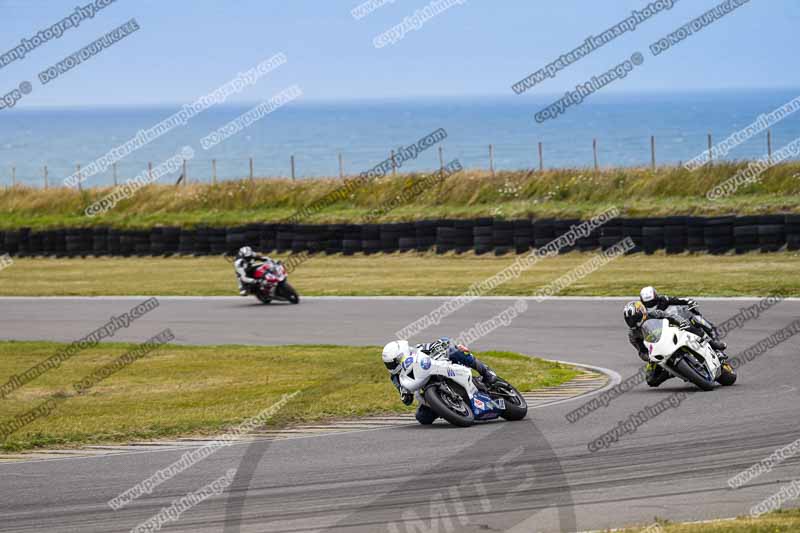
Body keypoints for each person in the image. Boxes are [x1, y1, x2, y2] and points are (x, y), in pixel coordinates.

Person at [381, 337, 497, 424]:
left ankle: (485, 371)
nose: (390, 367)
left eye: (392, 363)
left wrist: (442, 347)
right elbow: (406, 399)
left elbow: (443, 341)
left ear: (401, 356)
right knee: (422, 417)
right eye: (388, 364)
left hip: (443, 368)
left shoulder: (418, 349)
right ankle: (446, 407)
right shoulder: (396, 376)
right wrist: (405, 394)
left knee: (454, 351)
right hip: (428, 389)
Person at [624, 300, 696, 387]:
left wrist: (681, 322)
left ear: (642, 312)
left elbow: (671, 316)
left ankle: (707, 340)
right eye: (630, 320)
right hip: (656, 350)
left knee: (692, 324)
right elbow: (641, 351)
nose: (633, 322)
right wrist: (649, 357)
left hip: (671, 334)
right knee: (651, 379)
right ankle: (671, 372)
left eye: (635, 318)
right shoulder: (632, 334)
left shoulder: (654, 314)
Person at [639, 286, 727, 352]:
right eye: (648, 304)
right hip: (664, 330)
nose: (651, 306)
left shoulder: (663, 300)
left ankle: (714, 341)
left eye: (652, 302)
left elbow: (677, 300)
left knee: (696, 319)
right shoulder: (643, 312)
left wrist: (688, 301)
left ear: (656, 298)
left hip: (677, 319)